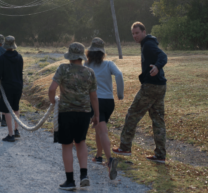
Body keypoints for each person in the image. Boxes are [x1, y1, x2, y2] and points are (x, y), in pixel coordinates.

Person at [112, 22, 168, 164]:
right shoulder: (148, 43)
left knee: (132, 114)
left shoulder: (148, 44)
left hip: (151, 86)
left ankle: (125, 148)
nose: (135, 36)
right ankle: (160, 155)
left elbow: (163, 56)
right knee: (158, 120)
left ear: (144, 31)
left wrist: (157, 66)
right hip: (160, 86)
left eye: (137, 33)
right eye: (133, 34)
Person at [48, 42, 99, 190]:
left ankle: (70, 181)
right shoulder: (90, 72)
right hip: (84, 113)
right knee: (81, 142)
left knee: (67, 146)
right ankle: (84, 175)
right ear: (82, 57)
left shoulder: (63, 69)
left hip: (66, 113)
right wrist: (96, 114)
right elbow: (94, 96)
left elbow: (52, 89)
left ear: (70, 56)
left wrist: (52, 102)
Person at [85, 37, 124, 180]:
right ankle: (99, 156)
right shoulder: (109, 64)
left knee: (102, 130)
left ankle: (110, 160)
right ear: (102, 52)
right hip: (109, 102)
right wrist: (120, 94)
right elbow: (119, 75)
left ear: (90, 52)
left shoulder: (86, 65)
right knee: (99, 126)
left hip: (96, 101)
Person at [0, 36, 23, 142]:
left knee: (7, 109)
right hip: (18, 85)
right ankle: (17, 130)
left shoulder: (2, 58)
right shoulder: (19, 57)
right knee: (16, 107)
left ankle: (10, 134)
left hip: (7, 86)